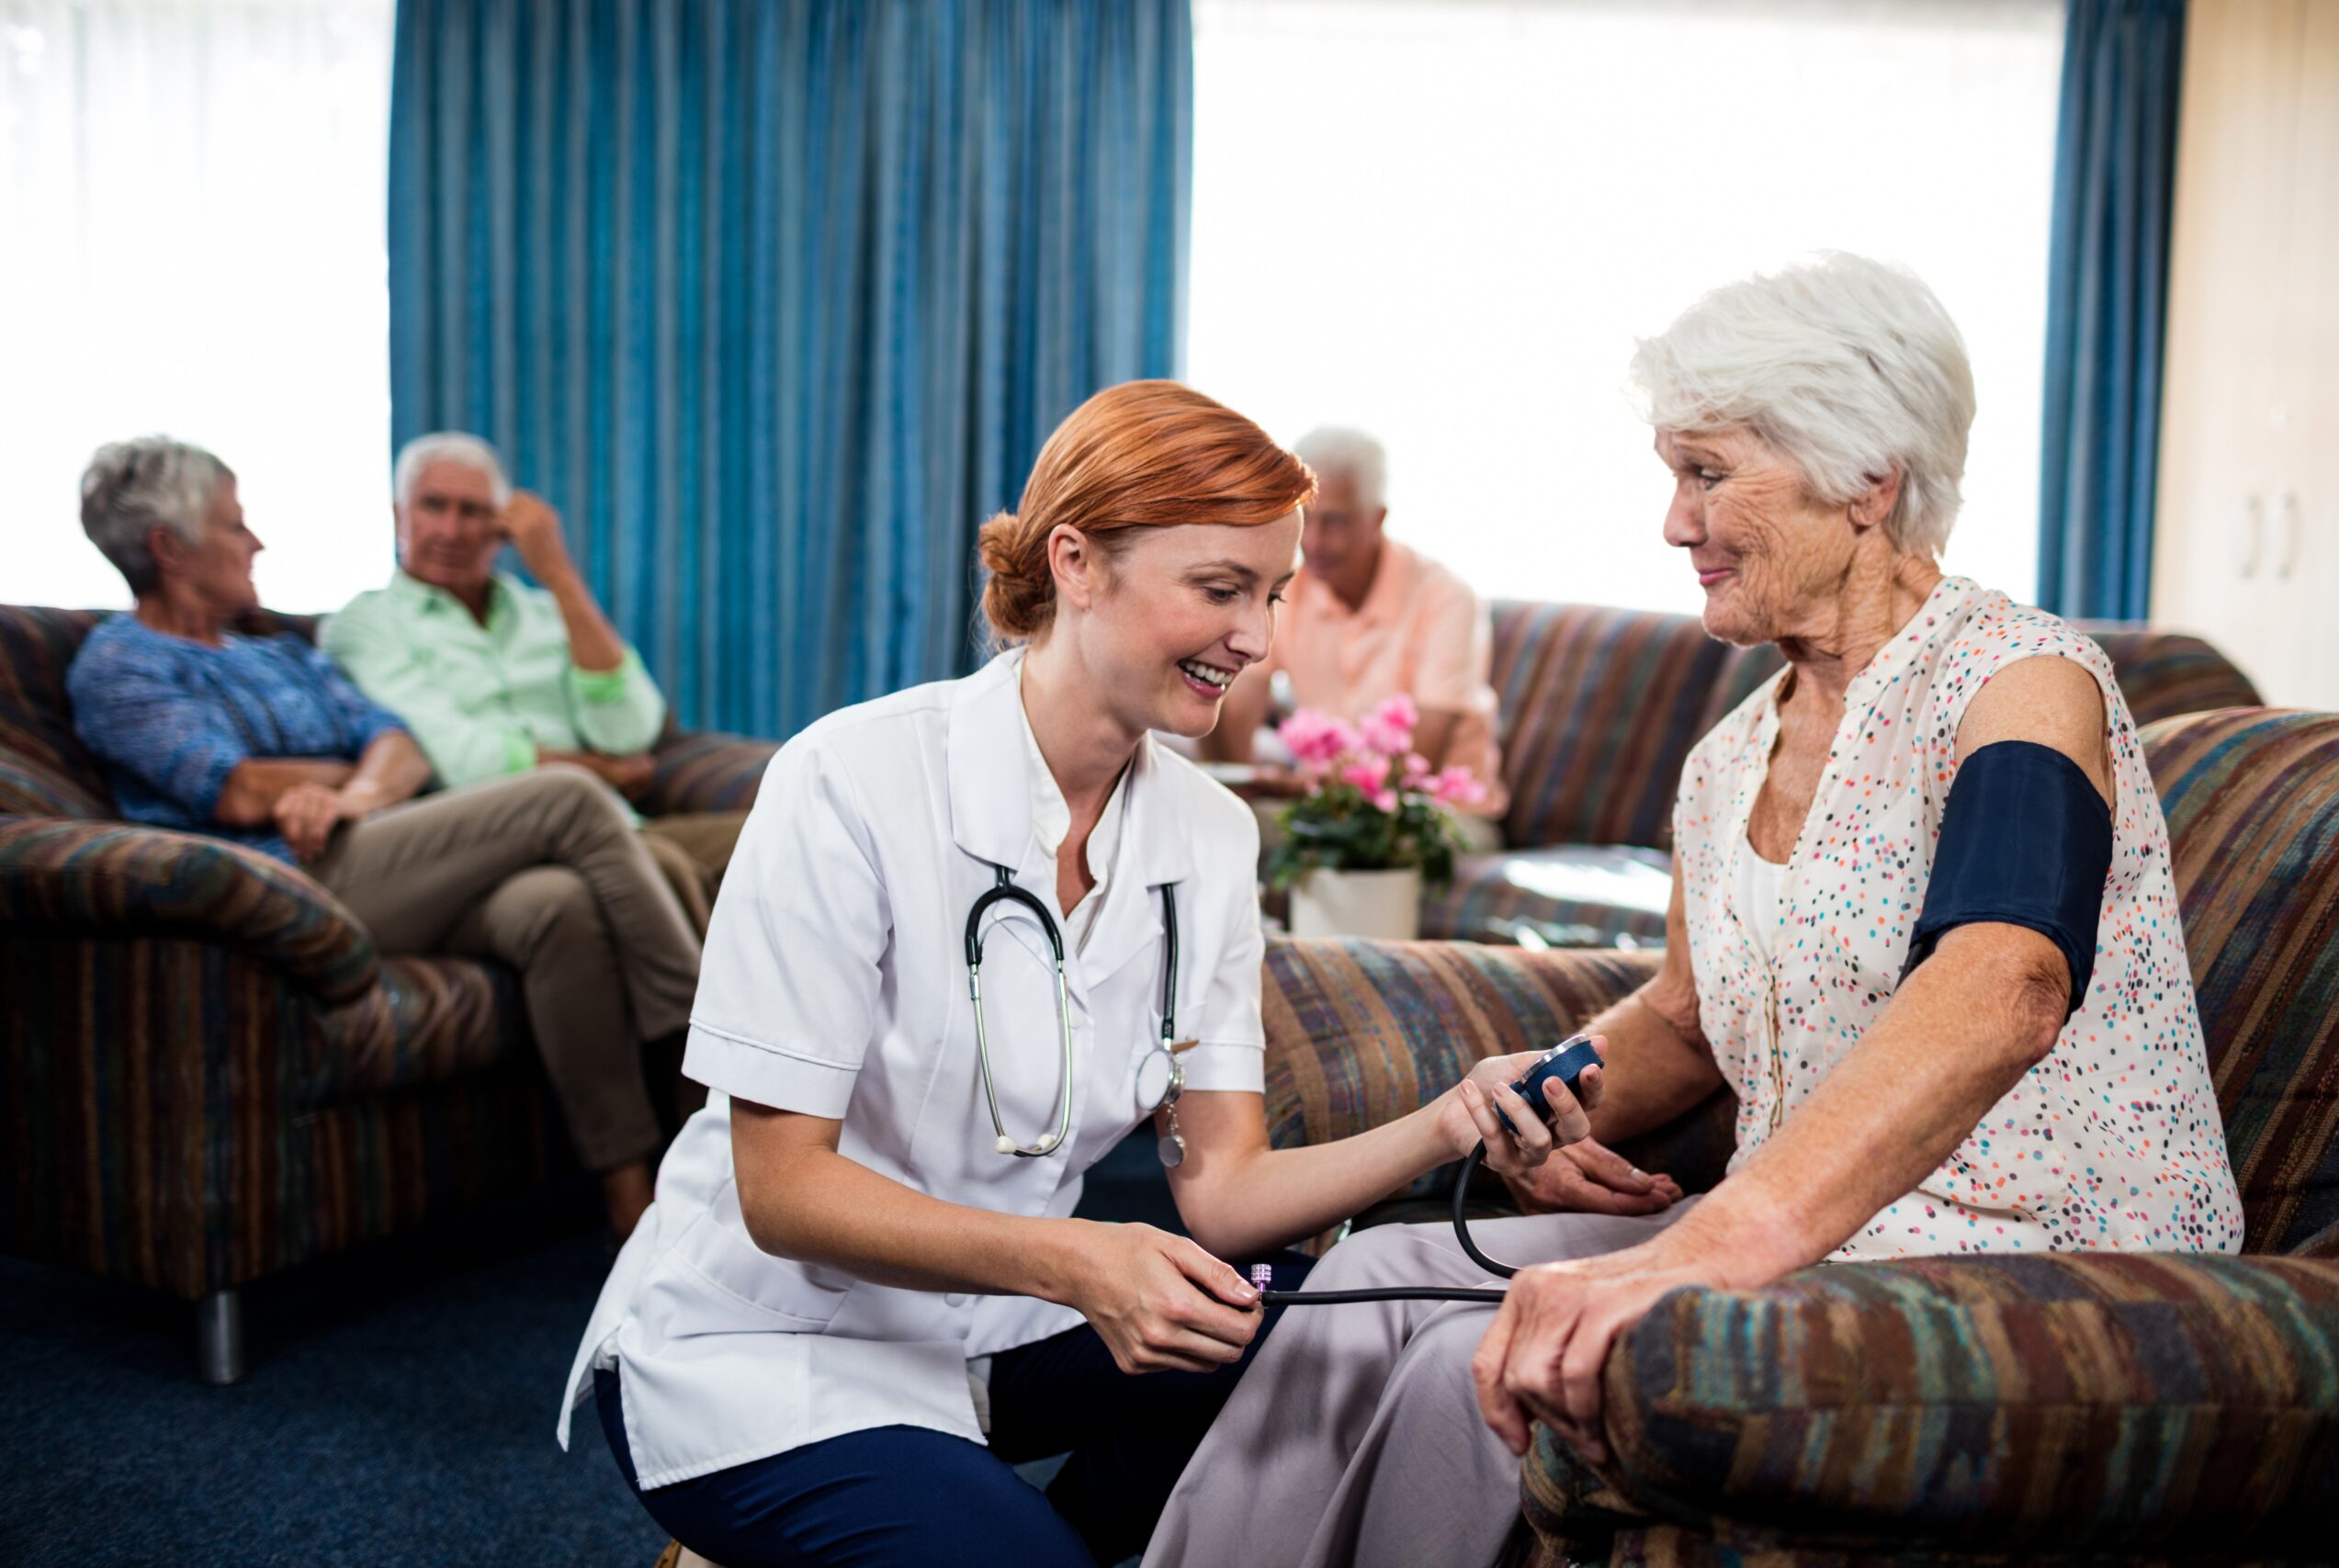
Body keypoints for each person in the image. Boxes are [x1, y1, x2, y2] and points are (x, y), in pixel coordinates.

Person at [1145, 254, 2245, 1568]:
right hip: (1824, 1226)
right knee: (1349, 1294)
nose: (1675, 522)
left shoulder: (2019, 681)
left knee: (1465, 1367)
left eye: (1709, 472)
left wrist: (1707, 1242)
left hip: (2037, 1249)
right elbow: (1683, 1010)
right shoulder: (1732, 754)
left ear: (1866, 475)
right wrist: (1549, 1116)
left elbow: (2005, 979)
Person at [554, 381, 1644, 1568]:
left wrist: (1449, 1118)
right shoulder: (849, 781)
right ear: (1076, 562)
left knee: (1274, 1300)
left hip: (993, 1324)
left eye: (1273, 595)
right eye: (1221, 588)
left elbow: (1223, 1189)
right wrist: (1079, 1259)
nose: (1258, 640)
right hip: (770, 1340)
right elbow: (781, 1191)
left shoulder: (1211, 836)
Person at [66, 437, 704, 1239]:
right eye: (235, 525)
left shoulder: (279, 652)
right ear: (170, 548)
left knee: (557, 905)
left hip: (369, 855)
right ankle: (714, 1084)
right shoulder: (121, 665)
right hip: (280, 888)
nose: (256, 541)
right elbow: (231, 789)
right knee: (568, 795)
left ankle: (634, 1204)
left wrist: (357, 787)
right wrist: (344, 775)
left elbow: (398, 743)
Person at [322, 433, 743, 932]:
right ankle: (705, 1014)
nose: (452, 530)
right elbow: (459, 760)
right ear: (399, 515)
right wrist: (600, 771)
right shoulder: (365, 624)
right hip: (503, 841)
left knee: (783, 835)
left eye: (473, 512)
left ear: (502, 528)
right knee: (662, 868)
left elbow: (631, 730)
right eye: (433, 506)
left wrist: (559, 575)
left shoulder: (546, 613)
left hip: (623, 825)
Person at [1203, 425, 1507, 852]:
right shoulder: (1288, 585)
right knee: (1222, 828)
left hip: (1436, 817)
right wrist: (1245, 783)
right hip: (1324, 807)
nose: (1313, 542)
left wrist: (1294, 786)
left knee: (1352, 847)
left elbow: (1419, 758)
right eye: (1306, 519)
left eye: (1336, 523)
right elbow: (1240, 699)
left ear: (1377, 519)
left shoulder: (1445, 597)